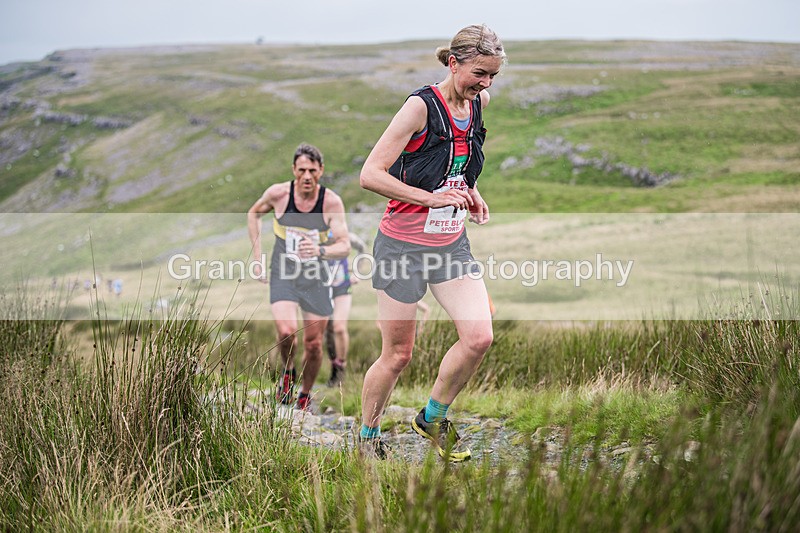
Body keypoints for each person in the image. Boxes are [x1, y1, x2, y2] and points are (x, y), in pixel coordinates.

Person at [358, 24, 505, 461]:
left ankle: (432, 417)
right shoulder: (418, 108)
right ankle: (367, 437)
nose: (486, 83)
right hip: (401, 246)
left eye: (494, 75)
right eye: (480, 73)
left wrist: (470, 192)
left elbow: (457, 162)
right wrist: (430, 198)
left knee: (479, 337)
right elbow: (370, 175)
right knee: (398, 355)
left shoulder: (480, 103)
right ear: (453, 62)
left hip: (450, 244)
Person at [248, 143, 351, 412]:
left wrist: (320, 249)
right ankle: (288, 372)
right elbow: (254, 213)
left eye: (312, 170)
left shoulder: (331, 202)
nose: (307, 176)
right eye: (302, 170)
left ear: (321, 171)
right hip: (283, 270)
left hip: (316, 274)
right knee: (286, 332)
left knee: (314, 344)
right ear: (294, 169)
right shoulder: (278, 194)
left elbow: (345, 245)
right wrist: (257, 255)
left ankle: (305, 394)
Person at [325, 232, 367, 387]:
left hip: (343, 286)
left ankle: (341, 368)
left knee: (339, 327)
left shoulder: (345, 236)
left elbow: (362, 247)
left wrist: (357, 272)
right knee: (328, 329)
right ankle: (334, 368)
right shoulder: (315, 233)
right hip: (322, 287)